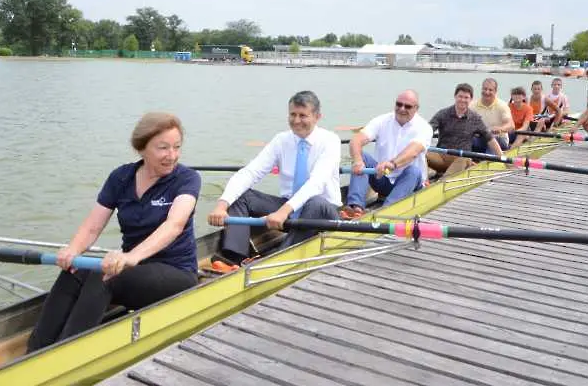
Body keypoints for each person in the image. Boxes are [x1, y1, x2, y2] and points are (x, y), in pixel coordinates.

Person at [26, 113, 201, 352]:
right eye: (163, 148)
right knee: (76, 270)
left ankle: (67, 352)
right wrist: (72, 250)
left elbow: (174, 225)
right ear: (141, 149)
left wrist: (130, 257)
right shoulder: (121, 177)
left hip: (175, 272)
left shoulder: (187, 179)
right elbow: (92, 226)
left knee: (104, 276)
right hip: (134, 269)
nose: (172, 156)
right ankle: (36, 349)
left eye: (176, 147)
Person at [207, 91, 341, 268]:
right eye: (292, 114)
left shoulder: (330, 141)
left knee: (314, 202)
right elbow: (250, 172)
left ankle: (274, 262)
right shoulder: (281, 140)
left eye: (303, 115)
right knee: (242, 197)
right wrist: (222, 205)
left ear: (317, 117)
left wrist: (283, 211)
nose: (296, 120)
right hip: (290, 212)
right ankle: (235, 257)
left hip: (323, 213)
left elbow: (316, 183)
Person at [343, 90, 434, 218]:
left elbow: (413, 152)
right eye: (399, 104)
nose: (402, 109)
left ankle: (385, 212)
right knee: (362, 156)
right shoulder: (382, 120)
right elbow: (356, 140)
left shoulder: (424, 127)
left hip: (409, 182)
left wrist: (392, 164)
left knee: (413, 171)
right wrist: (357, 160)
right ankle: (355, 208)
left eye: (407, 106)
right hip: (383, 177)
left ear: (416, 108)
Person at [427, 83, 502, 177]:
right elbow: (427, 131)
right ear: (455, 97)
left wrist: (503, 158)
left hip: (461, 159)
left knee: (463, 158)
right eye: (460, 96)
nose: (463, 100)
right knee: (421, 153)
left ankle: (443, 181)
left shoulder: (475, 118)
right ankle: (423, 182)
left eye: (466, 97)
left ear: (470, 99)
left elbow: (490, 139)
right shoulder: (443, 114)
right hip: (441, 157)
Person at [471, 78, 514, 152]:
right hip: (480, 139)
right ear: (482, 89)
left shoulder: (502, 105)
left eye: (490, 90)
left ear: (495, 91)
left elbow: (511, 125)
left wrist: (501, 129)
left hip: (499, 139)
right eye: (485, 89)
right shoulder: (472, 105)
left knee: (491, 140)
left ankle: (488, 160)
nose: (487, 92)